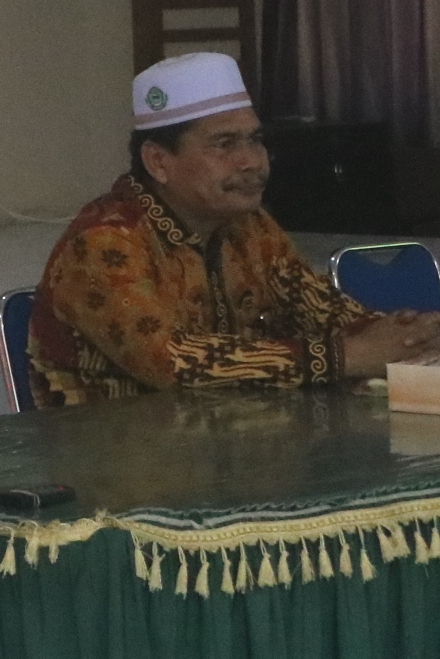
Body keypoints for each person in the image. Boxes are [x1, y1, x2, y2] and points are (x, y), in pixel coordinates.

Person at [29, 51, 440, 407]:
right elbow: (174, 363)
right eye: (224, 145)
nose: (252, 162)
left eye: (255, 140)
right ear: (158, 162)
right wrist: (345, 356)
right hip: (114, 461)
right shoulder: (104, 243)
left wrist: (408, 338)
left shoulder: (249, 226)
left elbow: (320, 309)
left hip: (232, 446)